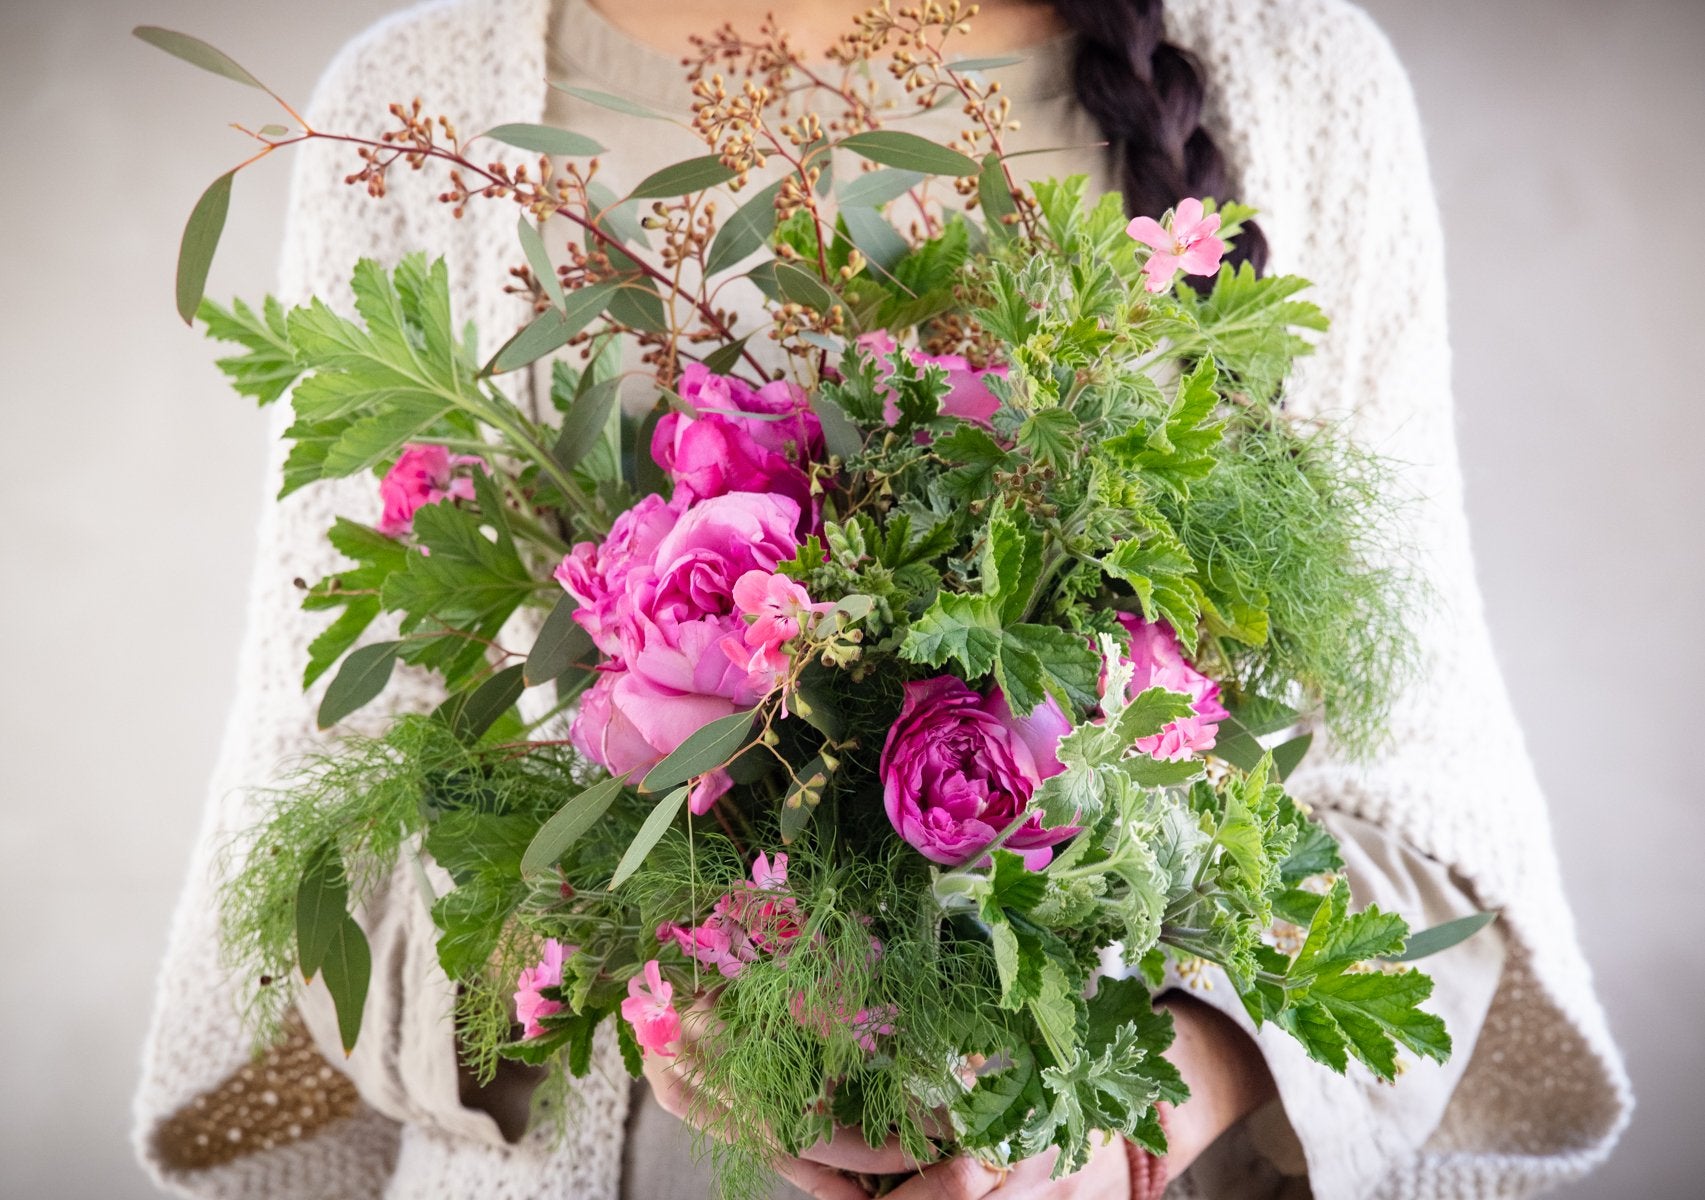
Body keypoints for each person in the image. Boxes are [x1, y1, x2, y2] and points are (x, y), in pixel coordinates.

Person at [133, 2, 1632, 1198]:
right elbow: (333, 848)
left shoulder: (1294, 83)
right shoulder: (422, 111)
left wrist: (1118, 1109)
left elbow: (1415, 808)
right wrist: (657, 973)